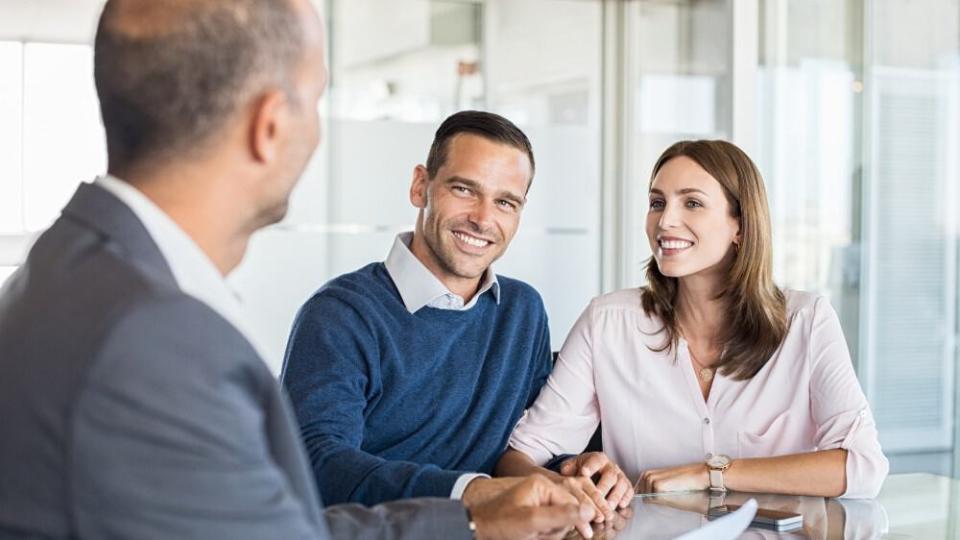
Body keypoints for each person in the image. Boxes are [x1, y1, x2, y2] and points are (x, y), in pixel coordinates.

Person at [0, 1, 596, 538]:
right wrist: (469, 509)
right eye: (315, 100)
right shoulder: (155, 336)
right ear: (271, 124)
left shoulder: (70, 280)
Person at [281, 110, 630, 524]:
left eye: (505, 202)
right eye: (465, 189)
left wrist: (574, 469)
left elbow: (519, 447)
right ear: (419, 186)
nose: (483, 218)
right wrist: (473, 491)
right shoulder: (340, 314)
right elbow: (318, 466)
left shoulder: (522, 311)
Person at [498, 139, 889, 499]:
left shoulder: (806, 321)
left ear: (740, 224)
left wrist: (710, 473)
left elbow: (863, 467)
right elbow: (517, 459)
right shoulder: (607, 323)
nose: (665, 221)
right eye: (657, 203)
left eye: (692, 203)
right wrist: (574, 495)